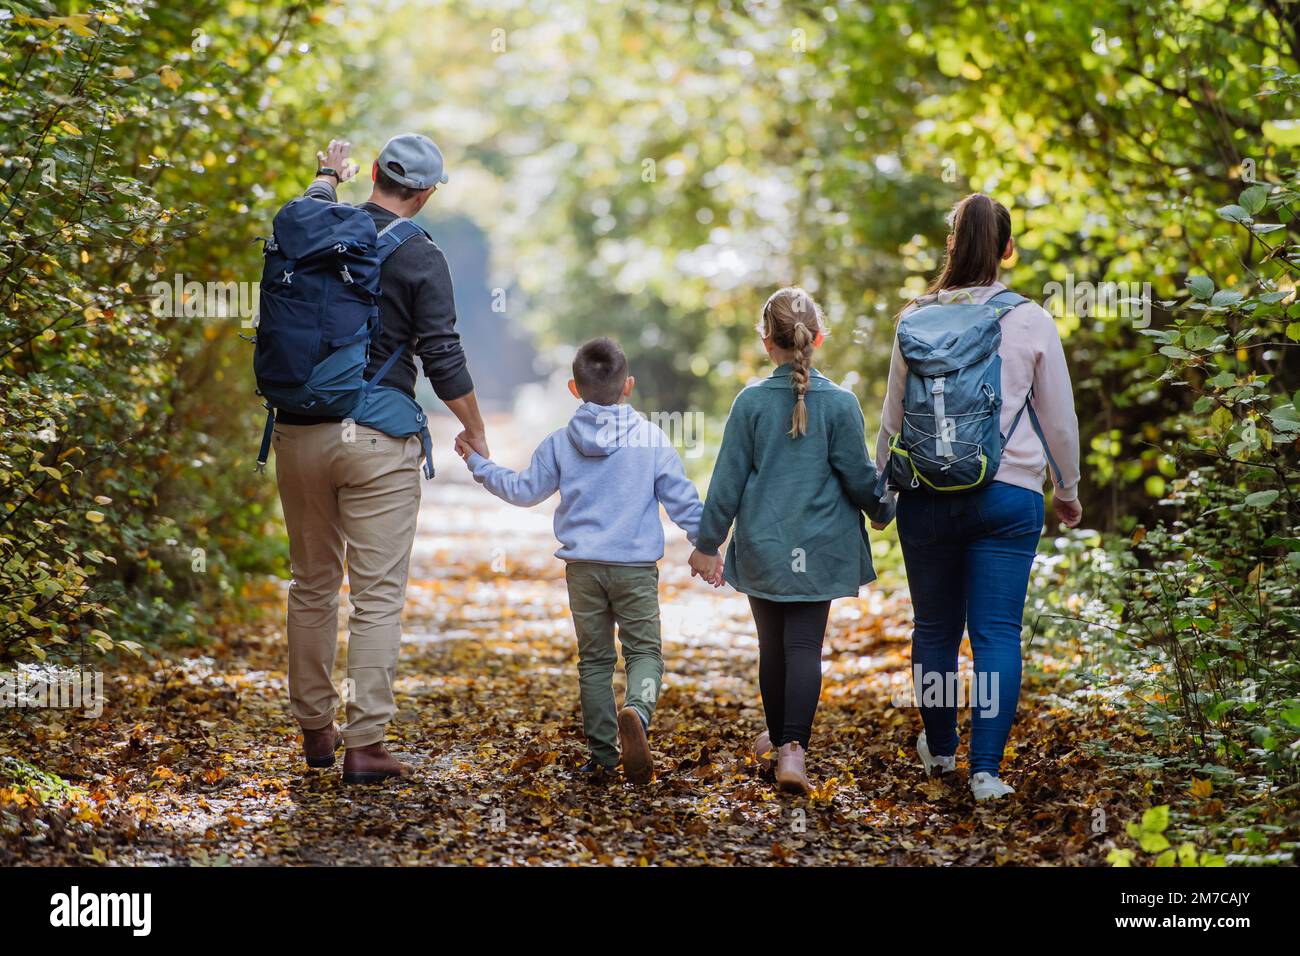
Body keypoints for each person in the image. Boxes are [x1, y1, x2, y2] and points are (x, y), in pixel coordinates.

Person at [273, 135, 489, 783]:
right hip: (377, 440)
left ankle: (316, 731)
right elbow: (443, 355)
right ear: (424, 194)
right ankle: (365, 745)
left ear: (371, 174)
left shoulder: (316, 227)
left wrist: (323, 175)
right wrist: (474, 429)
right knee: (376, 596)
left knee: (312, 583)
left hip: (300, 431)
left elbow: (304, 213)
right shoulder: (420, 254)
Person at [875, 193, 1082, 802]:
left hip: (926, 498)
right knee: (996, 633)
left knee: (934, 627)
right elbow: (1060, 421)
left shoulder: (914, 318)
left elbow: (892, 418)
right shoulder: (1030, 319)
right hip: (1008, 494)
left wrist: (885, 486)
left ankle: (940, 751)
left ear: (950, 245)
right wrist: (1066, 491)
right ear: (1007, 249)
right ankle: (986, 771)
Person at [455, 337, 703, 783]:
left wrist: (479, 462)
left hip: (583, 571)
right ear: (628, 385)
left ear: (574, 388)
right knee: (645, 653)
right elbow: (683, 503)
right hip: (634, 569)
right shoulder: (651, 438)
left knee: (594, 662)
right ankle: (638, 714)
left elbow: (523, 491)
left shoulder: (559, 442)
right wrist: (712, 544)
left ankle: (605, 756)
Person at [691, 287, 895, 795]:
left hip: (764, 545)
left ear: (767, 343)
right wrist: (882, 509)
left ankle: (782, 740)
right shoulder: (841, 404)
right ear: (817, 339)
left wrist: (708, 543)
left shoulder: (751, 402)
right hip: (820, 548)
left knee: (772, 647)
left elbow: (727, 481)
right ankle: (791, 749)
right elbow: (858, 476)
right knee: (804, 646)